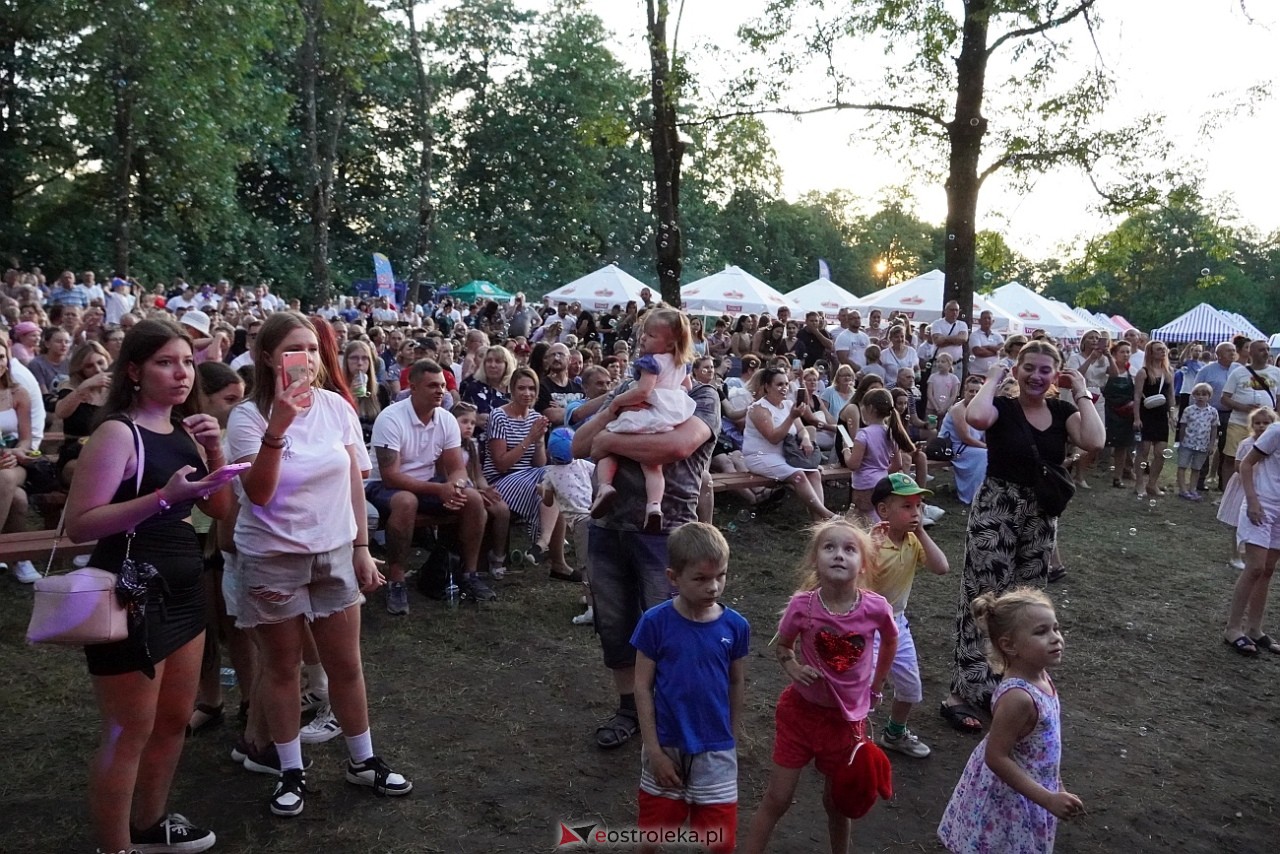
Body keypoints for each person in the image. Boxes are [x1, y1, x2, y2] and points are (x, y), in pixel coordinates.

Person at [64, 317, 239, 854]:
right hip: (129, 587)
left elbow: (220, 511)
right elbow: (81, 523)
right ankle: (113, 847)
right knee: (127, 733)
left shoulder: (188, 429)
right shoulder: (119, 432)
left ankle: (150, 824)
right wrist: (162, 498)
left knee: (171, 723)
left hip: (183, 586)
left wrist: (215, 455)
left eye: (187, 361)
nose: (181, 373)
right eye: (166, 362)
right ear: (135, 371)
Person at [227, 311, 412, 817]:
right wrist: (279, 427)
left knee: (346, 665)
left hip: (333, 553)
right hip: (272, 557)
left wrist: (358, 548)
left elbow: (353, 477)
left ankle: (363, 760)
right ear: (268, 357)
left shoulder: (335, 407)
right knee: (283, 669)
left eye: (311, 348)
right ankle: (291, 770)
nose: (306, 359)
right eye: (293, 349)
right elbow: (259, 493)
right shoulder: (248, 417)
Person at [940, 341, 1103, 733]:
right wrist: (996, 374)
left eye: (1046, 370)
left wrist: (1079, 388)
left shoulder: (1063, 411)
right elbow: (977, 416)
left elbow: (1094, 440)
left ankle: (1012, 687)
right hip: (997, 510)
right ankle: (963, 691)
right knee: (983, 598)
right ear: (1018, 369)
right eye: (1028, 368)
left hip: (1040, 516)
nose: (1036, 376)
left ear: (1055, 375)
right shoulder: (1004, 407)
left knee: (1027, 602)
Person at [571, 350, 720, 751]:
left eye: (662, 344)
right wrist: (616, 408)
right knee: (615, 625)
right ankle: (629, 711)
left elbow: (672, 449)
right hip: (608, 527)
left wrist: (610, 440)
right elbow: (580, 446)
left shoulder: (703, 398)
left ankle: (675, 712)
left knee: (673, 627)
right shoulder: (625, 390)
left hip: (665, 532)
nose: (652, 353)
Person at [742, 518, 897, 854]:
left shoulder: (875, 608)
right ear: (815, 560)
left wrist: (877, 683)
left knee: (836, 802)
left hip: (846, 723)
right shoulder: (803, 606)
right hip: (800, 716)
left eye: (849, 549)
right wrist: (793, 667)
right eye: (829, 547)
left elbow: (890, 641)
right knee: (777, 798)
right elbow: (783, 647)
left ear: (864, 564)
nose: (839, 555)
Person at [632, 523, 748, 854]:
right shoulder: (655, 623)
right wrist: (654, 751)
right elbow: (641, 686)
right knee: (652, 833)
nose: (713, 587)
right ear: (673, 577)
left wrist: (732, 737)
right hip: (667, 745)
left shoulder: (736, 627)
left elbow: (736, 681)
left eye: (721, 576)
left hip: (716, 751)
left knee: (718, 840)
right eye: (700, 578)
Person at [938, 588, 1083, 853]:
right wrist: (1048, 798)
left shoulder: (1041, 678)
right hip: (1008, 800)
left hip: (1033, 788)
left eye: (1056, 628)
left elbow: (1044, 745)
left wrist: (1056, 782)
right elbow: (996, 756)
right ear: (1009, 645)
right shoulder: (1019, 697)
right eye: (1041, 632)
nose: (1056, 638)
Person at [364, 358, 494, 615]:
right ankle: (396, 580)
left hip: (426, 483)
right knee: (405, 502)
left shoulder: (445, 419)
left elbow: (456, 467)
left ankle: (468, 574)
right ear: (412, 387)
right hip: (383, 485)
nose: (440, 391)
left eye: (443, 386)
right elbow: (390, 477)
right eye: (432, 385)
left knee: (473, 499)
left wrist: (456, 486)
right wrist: (440, 490)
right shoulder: (391, 418)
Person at [590, 308, 697, 533]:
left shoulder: (651, 362)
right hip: (671, 414)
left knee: (610, 442)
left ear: (669, 344)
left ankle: (605, 487)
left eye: (650, 335)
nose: (643, 338)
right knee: (653, 466)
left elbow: (643, 392)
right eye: (644, 333)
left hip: (648, 412)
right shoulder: (682, 363)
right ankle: (654, 507)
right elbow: (687, 387)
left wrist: (617, 402)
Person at [866, 475, 948, 759]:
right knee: (865, 688)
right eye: (907, 506)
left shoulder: (914, 542)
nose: (915, 513)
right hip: (867, 627)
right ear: (884, 511)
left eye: (919, 506)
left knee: (911, 689)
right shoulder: (871, 544)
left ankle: (895, 733)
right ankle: (850, 739)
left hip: (897, 624)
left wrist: (922, 532)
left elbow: (942, 567)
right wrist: (870, 549)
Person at [486, 366, 575, 579]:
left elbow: (538, 463)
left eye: (532, 388)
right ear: (512, 390)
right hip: (501, 480)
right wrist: (529, 439)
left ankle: (554, 558)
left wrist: (538, 441)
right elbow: (501, 465)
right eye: (522, 388)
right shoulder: (499, 416)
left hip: (529, 477)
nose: (527, 393)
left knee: (556, 479)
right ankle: (546, 546)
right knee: (554, 478)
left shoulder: (535, 417)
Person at [742, 367, 834, 521]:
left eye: (786, 384)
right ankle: (827, 515)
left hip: (785, 455)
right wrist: (791, 417)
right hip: (761, 456)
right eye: (779, 384)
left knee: (814, 473)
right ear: (767, 386)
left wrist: (805, 439)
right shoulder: (759, 408)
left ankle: (818, 523)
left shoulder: (788, 405)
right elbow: (773, 438)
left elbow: (801, 429)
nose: (784, 388)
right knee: (799, 475)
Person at [1224, 416, 1280, 657]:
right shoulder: (1276, 431)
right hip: (1263, 503)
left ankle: (1255, 629)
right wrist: (1253, 501)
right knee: (1255, 567)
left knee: (1268, 569)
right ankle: (1233, 629)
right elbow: (1246, 464)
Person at [1218, 408, 1276, 573]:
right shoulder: (1247, 444)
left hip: (1264, 488)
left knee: (1261, 522)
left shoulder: (1274, 444)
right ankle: (1235, 555)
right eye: (1257, 423)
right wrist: (1255, 464)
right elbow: (1239, 465)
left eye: (1266, 423)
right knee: (1238, 522)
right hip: (1244, 487)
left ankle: (1256, 553)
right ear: (1251, 425)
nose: (1261, 426)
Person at [843, 388, 913, 517]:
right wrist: (882, 472)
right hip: (882, 483)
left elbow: (853, 465)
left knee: (863, 518)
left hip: (864, 484)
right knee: (877, 516)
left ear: (870, 408)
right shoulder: (891, 432)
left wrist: (846, 451)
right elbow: (897, 465)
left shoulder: (863, 434)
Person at [1220, 339, 1280, 487]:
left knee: (1263, 457)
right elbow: (1224, 398)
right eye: (1261, 350)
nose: (1266, 352)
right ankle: (1228, 490)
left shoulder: (1276, 373)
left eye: (1267, 349)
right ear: (1251, 353)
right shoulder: (1238, 372)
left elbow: (1279, 399)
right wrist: (1244, 407)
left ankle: (1257, 488)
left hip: (1266, 426)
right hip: (1239, 423)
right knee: (1231, 458)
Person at [1194, 341, 1240, 491]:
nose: (1232, 353)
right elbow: (1195, 392)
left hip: (1230, 414)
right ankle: (1199, 481)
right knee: (1205, 445)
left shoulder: (1240, 370)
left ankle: (1223, 482)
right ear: (1218, 354)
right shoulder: (1206, 371)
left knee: (1226, 448)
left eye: (1233, 350)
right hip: (1208, 413)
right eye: (1228, 351)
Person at [1131, 339, 1174, 498]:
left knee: (1161, 452)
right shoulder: (1143, 372)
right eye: (1158, 349)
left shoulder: (1168, 371)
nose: (1162, 352)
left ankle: (1152, 483)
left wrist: (1172, 414)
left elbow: (1171, 395)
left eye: (1164, 349)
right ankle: (1139, 483)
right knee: (1143, 450)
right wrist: (1136, 418)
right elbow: (1136, 396)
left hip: (1161, 415)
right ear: (1150, 352)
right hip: (1146, 414)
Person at [938, 375, 989, 505]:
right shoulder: (958, 409)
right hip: (954, 447)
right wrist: (986, 447)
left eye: (977, 391)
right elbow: (965, 438)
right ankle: (971, 495)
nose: (974, 394)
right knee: (984, 455)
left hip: (970, 446)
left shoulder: (981, 408)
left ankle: (988, 492)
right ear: (964, 392)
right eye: (971, 391)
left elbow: (984, 434)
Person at [1102, 340, 1137, 489]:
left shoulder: (1133, 371)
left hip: (1125, 412)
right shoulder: (1107, 368)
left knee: (1122, 446)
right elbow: (1112, 375)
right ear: (1115, 353)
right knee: (1101, 443)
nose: (1126, 355)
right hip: (1108, 409)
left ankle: (1118, 477)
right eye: (1122, 351)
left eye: (1128, 352)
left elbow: (1137, 393)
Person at [1176, 382, 1218, 501]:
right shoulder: (1188, 410)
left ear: (1209, 396)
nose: (1201, 397)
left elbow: (1214, 428)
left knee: (1196, 468)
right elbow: (1183, 426)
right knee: (1182, 466)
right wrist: (1181, 441)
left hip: (1203, 445)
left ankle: (1192, 489)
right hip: (1187, 443)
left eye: (1204, 394)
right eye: (1198, 394)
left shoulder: (1213, 412)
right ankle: (1183, 489)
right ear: (1193, 395)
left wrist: (1211, 444)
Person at [967, 310, 1004, 377]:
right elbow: (978, 352)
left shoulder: (998, 336)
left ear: (993, 321)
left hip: (994, 374)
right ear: (979, 321)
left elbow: (1003, 350)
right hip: (977, 373)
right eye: (984, 318)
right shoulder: (974, 335)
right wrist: (995, 352)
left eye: (989, 318)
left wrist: (988, 347)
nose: (987, 320)